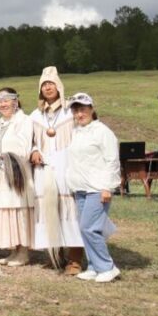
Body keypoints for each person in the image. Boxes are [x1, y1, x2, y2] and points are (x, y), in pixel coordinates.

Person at [29, 66, 84, 274]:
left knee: (70, 211)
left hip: (67, 166)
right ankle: (55, 253)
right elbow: (31, 140)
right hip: (44, 168)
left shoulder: (70, 111)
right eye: (44, 85)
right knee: (49, 209)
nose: (48, 88)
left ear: (59, 86)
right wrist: (34, 150)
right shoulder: (35, 115)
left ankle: (75, 258)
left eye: (51, 84)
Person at [66, 93, 121, 282]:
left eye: (83, 109)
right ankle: (94, 266)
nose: (79, 114)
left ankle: (107, 266)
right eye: (76, 110)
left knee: (89, 228)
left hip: (97, 188)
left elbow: (112, 161)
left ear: (91, 109)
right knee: (85, 229)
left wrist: (108, 187)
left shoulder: (102, 132)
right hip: (80, 189)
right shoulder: (77, 132)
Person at [0, 89, 35, 267]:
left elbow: (24, 148)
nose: (3, 104)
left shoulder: (24, 121)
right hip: (0, 174)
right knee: (8, 210)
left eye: (7, 100)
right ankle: (14, 250)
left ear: (15, 102)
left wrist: (1, 156)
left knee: (18, 210)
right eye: (0, 101)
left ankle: (23, 252)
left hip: (18, 174)